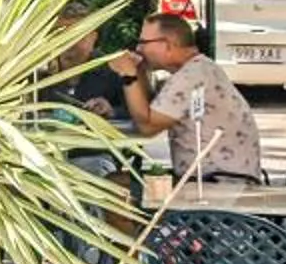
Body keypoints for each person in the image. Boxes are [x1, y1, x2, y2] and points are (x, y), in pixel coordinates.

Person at [111, 10, 263, 184]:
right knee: (121, 181)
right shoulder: (199, 68)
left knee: (112, 184)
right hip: (214, 177)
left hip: (218, 182)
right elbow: (153, 109)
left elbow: (147, 127)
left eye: (143, 43)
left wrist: (128, 75)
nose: (139, 49)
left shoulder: (190, 77)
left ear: (167, 45)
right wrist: (139, 71)